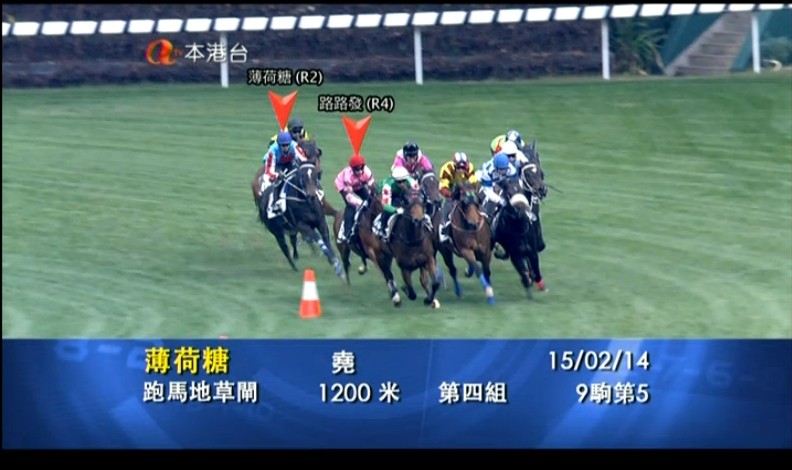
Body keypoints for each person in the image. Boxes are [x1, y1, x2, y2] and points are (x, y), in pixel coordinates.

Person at [478, 152, 520, 259]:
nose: (504, 171)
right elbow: (488, 192)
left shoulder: (511, 169)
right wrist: (500, 201)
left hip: (501, 182)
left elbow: (515, 185)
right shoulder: (488, 171)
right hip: (485, 184)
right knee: (486, 204)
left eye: (505, 169)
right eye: (501, 170)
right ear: (496, 167)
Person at [262, 131, 307, 216]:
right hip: (276, 165)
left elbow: (303, 159)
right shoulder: (272, 150)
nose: (286, 148)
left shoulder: (294, 146)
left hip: (289, 163)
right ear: (279, 145)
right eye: (283, 146)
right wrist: (277, 175)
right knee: (274, 182)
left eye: (287, 145)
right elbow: (269, 171)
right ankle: (272, 204)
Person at [335, 153, 377, 243]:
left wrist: (373, 195)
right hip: (344, 187)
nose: (360, 172)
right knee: (351, 206)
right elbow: (349, 197)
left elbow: (372, 187)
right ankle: (346, 233)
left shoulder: (367, 172)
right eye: (357, 169)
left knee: (370, 201)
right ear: (352, 169)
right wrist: (360, 202)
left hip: (358, 184)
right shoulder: (348, 177)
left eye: (361, 168)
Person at [437, 152, 479, 243]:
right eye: (459, 168)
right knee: (447, 207)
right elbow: (442, 187)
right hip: (452, 191)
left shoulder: (470, 168)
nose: (461, 170)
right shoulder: (447, 169)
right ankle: (443, 230)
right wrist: (451, 194)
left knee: (476, 202)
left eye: (463, 168)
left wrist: (469, 191)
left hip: (466, 190)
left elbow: (473, 183)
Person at [376, 166, 421, 242]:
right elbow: (385, 205)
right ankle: (382, 228)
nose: (401, 184)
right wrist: (396, 210)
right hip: (392, 195)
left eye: (403, 181)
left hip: (405, 193)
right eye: (399, 182)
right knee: (388, 211)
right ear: (394, 180)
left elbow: (418, 197)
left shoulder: (412, 182)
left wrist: (408, 192)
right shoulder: (387, 186)